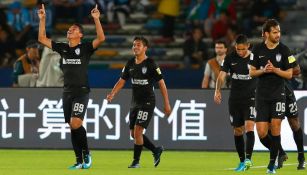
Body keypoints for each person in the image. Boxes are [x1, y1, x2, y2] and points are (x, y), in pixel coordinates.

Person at [38, 4, 105, 169]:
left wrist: (96, 19)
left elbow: (101, 39)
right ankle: (78, 160)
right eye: (69, 29)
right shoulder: (63, 48)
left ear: (80, 35)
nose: (70, 30)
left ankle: (87, 154)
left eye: (74, 29)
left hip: (81, 91)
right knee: (72, 126)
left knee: (76, 123)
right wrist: (43, 19)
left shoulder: (85, 48)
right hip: (67, 92)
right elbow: (41, 39)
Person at [106, 36, 172, 168]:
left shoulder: (151, 64)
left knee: (137, 131)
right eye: (134, 45)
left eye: (138, 45)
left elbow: (162, 84)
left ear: (145, 48)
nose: (135, 47)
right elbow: (122, 81)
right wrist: (112, 93)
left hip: (147, 102)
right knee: (134, 134)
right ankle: (155, 150)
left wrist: (167, 103)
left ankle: (136, 161)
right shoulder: (130, 63)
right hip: (135, 102)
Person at [249, 19, 293, 174]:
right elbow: (251, 72)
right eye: (275, 32)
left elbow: (289, 74)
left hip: (278, 94)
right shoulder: (257, 50)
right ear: (266, 34)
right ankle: (280, 152)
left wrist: (275, 70)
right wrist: (263, 71)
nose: (278, 35)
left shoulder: (284, 50)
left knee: (275, 128)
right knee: (261, 132)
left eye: (279, 31)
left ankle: (271, 165)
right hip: (261, 95)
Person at [214, 34, 256, 172]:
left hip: (251, 98)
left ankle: (249, 159)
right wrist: (217, 90)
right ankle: (242, 161)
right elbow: (221, 75)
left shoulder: (255, 58)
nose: (240, 52)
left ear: (248, 46)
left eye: (242, 49)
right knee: (237, 130)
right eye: (238, 49)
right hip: (235, 99)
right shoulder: (230, 58)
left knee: (249, 126)